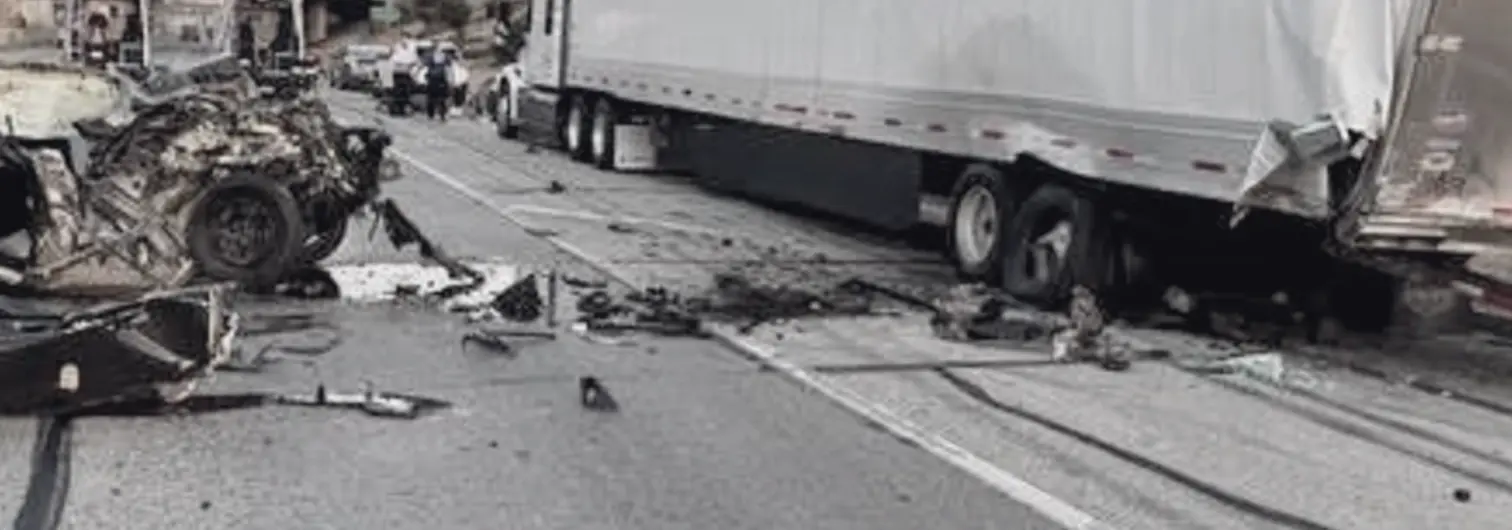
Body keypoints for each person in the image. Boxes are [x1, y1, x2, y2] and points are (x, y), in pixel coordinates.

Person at [423, 48, 453, 121]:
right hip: (438, 81)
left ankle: (435, 114)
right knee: (438, 99)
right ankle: (439, 114)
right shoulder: (442, 64)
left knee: (435, 99)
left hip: (436, 81)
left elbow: (427, 73)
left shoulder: (433, 63)